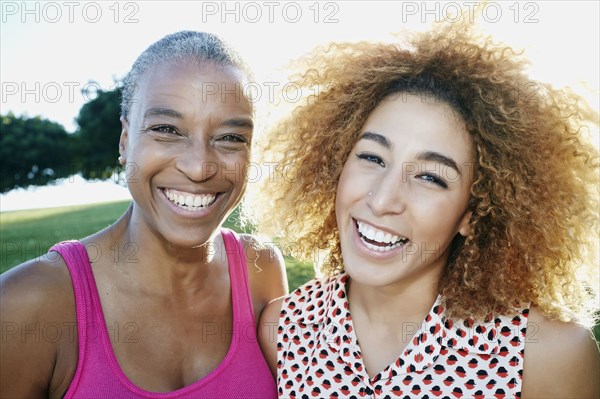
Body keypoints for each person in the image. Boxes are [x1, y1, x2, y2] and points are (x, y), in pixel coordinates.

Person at [255, 22, 600, 398]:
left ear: (474, 213)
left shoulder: (546, 355)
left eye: (431, 178)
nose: (382, 200)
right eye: (371, 156)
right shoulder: (285, 328)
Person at [0, 31, 287, 398]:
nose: (199, 167)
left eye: (230, 137)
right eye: (166, 130)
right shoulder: (29, 304)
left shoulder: (259, 269)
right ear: (124, 141)